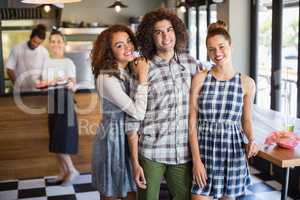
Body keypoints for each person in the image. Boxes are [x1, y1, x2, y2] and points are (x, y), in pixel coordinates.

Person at [126, 8, 201, 200]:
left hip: (182, 152)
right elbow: (133, 118)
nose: (165, 36)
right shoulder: (143, 68)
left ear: (176, 32)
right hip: (151, 151)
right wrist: (135, 163)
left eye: (169, 30)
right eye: (158, 32)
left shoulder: (191, 64)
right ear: (150, 37)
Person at [188, 21, 259, 200]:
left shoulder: (247, 83)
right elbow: (192, 123)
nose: (217, 53)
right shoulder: (200, 78)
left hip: (233, 153)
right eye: (211, 49)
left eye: (221, 46)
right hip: (205, 152)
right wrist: (197, 161)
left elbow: (247, 121)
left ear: (231, 46)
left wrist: (251, 140)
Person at [90, 24, 149, 200]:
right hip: (113, 140)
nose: (127, 47)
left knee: (132, 191)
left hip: (131, 136)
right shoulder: (106, 78)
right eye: (119, 45)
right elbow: (137, 113)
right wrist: (143, 79)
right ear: (109, 51)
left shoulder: (129, 70)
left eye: (129, 41)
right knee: (111, 192)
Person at [36, 30, 79, 186]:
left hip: (65, 100)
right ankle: (63, 172)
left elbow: (73, 84)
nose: (55, 44)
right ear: (49, 44)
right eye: (53, 41)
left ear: (64, 44)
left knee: (61, 138)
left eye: (59, 41)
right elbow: (41, 83)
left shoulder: (68, 63)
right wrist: (53, 81)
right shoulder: (46, 62)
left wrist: (69, 83)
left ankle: (72, 170)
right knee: (55, 138)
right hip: (52, 101)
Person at [6, 24, 49, 92]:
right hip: (20, 90)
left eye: (38, 43)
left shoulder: (44, 52)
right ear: (30, 37)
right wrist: (16, 84)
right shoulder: (17, 49)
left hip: (36, 90)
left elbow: (45, 71)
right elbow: (9, 69)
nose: (35, 45)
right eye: (34, 41)